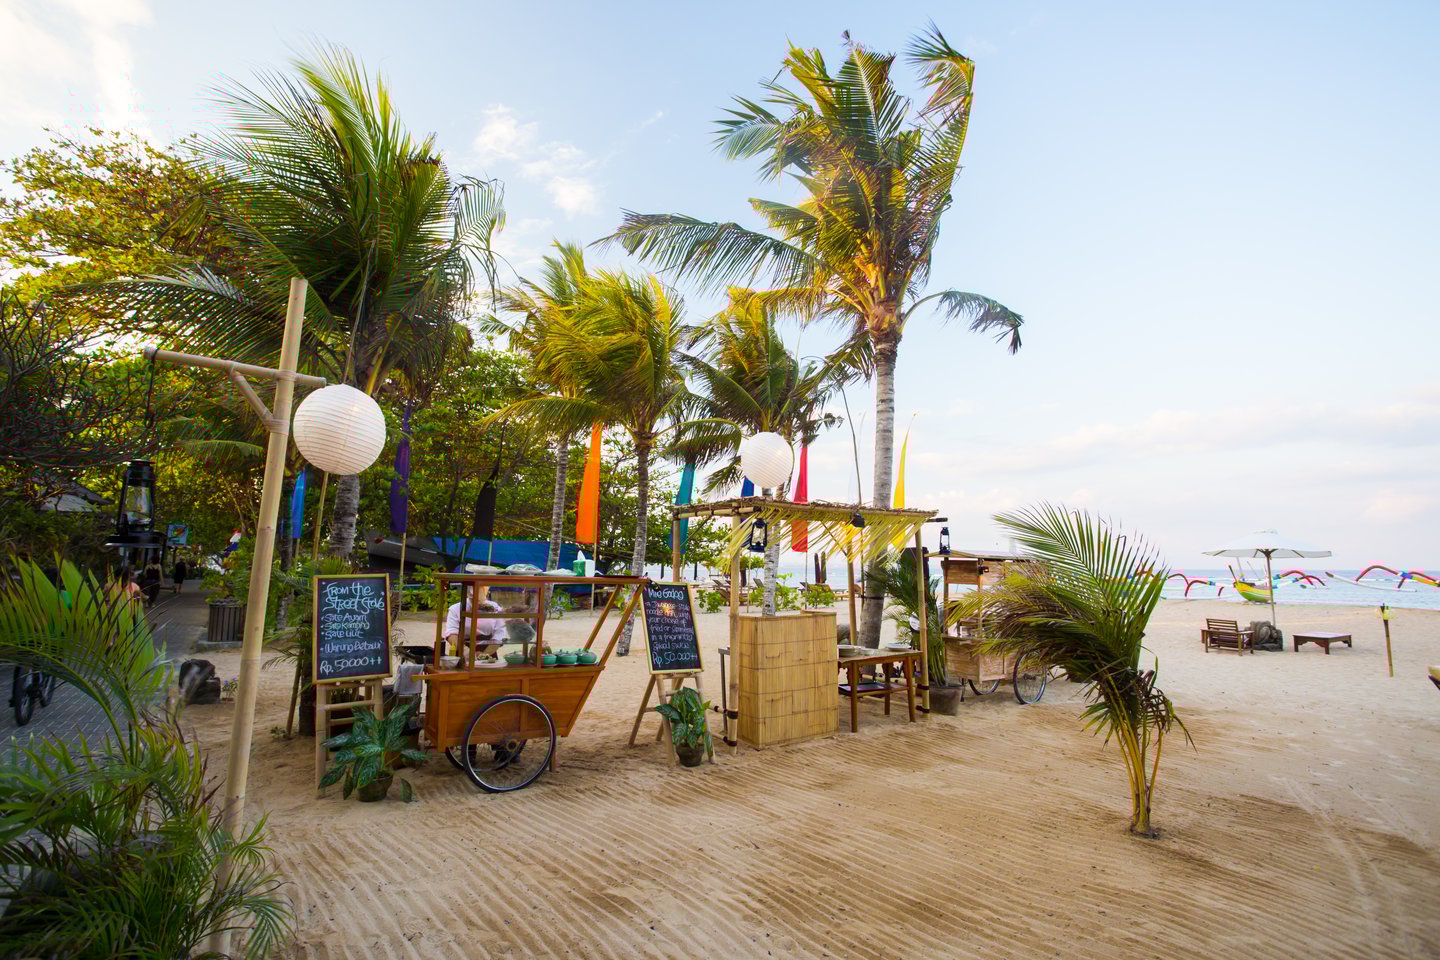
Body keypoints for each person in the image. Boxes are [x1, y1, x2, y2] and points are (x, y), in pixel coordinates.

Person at [442, 587, 505, 660]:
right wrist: (466, 651)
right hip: (463, 649)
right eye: (474, 599)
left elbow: (500, 633)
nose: (478, 602)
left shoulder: (495, 607)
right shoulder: (455, 609)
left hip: (489, 650)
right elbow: (451, 633)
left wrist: (485, 654)